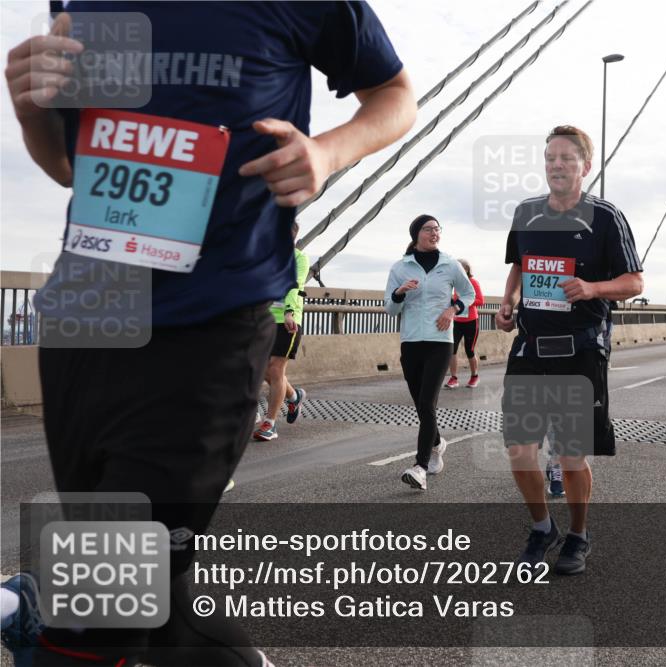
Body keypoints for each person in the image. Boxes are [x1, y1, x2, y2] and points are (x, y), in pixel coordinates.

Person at [8, 5, 415, 666]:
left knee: (97, 605)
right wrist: (31, 109)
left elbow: (396, 95)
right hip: (88, 316)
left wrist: (326, 152)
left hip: (213, 319)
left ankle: (47, 621)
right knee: (148, 591)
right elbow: (69, 167)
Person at [496, 125, 643, 575]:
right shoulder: (526, 212)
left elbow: (634, 283)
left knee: (570, 454)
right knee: (520, 450)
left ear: (585, 166)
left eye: (566, 158)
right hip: (530, 348)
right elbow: (519, 266)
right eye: (550, 158)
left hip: (580, 350)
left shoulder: (605, 217)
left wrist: (592, 287)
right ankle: (542, 528)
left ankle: (578, 534)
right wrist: (507, 303)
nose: (556, 165)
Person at [385, 215, 475, 490]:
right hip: (411, 341)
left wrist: (453, 309)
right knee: (421, 405)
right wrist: (399, 293)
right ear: (416, 234)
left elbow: (468, 294)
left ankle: (420, 467)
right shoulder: (400, 267)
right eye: (428, 229)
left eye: (437, 228)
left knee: (427, 403)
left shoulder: (450, 265)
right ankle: (436, 443)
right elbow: (389, 308)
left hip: (440, 341)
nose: (435, 233)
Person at [254, 223, 309, 441]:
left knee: (275, 369)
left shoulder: (298, 258)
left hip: (286, 321)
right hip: (262, 319)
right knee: (261, 369)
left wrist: (289, 312)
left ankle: (270, 423)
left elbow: (295, 285)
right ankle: (294, 396)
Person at [444, 259, 485, 389]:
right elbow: (454, 299)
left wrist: (465, 301)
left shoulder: (472, 282)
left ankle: (474, 376)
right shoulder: (456, 284)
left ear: (466, 269)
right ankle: (453, 378)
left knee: (470, 350)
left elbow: (480, 300)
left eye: (460, 268)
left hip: (471, 322)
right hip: (457, 321)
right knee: (452, 350)